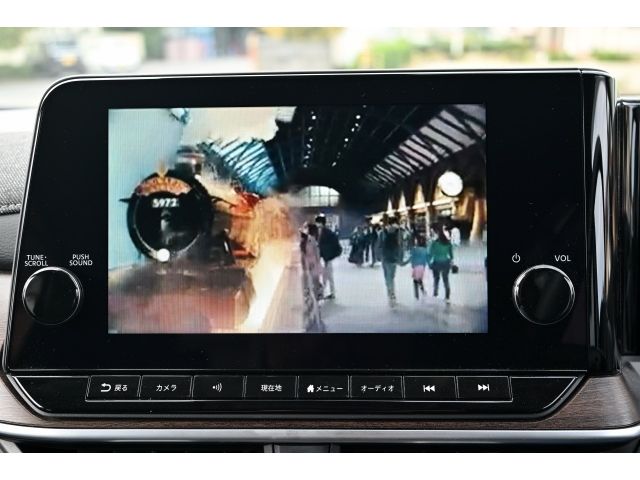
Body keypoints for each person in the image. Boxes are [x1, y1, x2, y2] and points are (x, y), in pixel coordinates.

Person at [299, 225, 324, 332]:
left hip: (312, 268)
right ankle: (311, 318)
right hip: (307, 270)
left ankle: (314, 319)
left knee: (313, 290)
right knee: (309, 292)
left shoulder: (311, 241)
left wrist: (316, 265)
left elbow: (316, 255)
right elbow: (304, 256)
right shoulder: (304, 242)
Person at [315, 214, 342, 300]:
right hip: (326, 258)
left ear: (321, 223)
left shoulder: (326, 232)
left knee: (327, 276)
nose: (316, 224)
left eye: (317, 222)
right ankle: (329, 292)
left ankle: (325, 293)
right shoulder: (323, 232)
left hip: (328, 257)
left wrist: (326, 254)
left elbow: (326, 245)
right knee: (328, 276)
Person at [379, 216, 404, 307]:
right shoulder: (399, 232)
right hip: (394, 256)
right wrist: (400, 257)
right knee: (392, 276)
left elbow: (380, 244)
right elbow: (401, 245)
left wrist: (379, 255)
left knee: (387, 276)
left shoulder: (383, 232)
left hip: (385, 256)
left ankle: (390, 292)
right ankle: (392, 292)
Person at [428, 225, 454, 302]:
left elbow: (430, 254)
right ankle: (447, 296)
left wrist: (429, 263)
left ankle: (435, 293)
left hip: (436, 263)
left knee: (436, 279)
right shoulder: (448, 243)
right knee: (446, 279)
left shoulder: (434, 243)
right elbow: (451, 255)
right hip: (446, 263)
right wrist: (451, 261)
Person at [410, 234, 430, 300]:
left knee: (415, 281)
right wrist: (429, 265)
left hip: (416, 267)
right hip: (422, 267)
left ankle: (417, 296)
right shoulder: (425, 250)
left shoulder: (414, 249)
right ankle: (423, 291)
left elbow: (412, 258)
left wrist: (412, 265)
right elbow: (427, 259)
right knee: (419, 280)